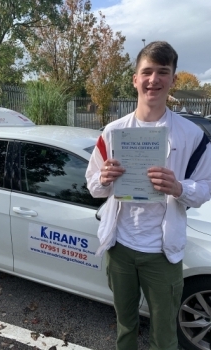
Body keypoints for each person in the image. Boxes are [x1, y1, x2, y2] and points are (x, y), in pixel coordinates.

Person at [85, 41, 211, 350]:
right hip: (121, 248)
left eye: (162, 72)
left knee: (165, 334)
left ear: (172, 79)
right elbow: (93, 186)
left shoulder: (192, 135)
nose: (153, 80)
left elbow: (205, 187)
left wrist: (179, 188)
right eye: (147, 72)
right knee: (125, 326)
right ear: (135, 78)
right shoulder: (113, 132)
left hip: (162, 254)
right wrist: (104, 178)